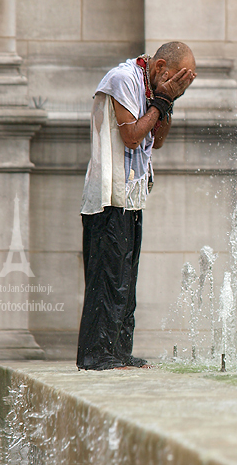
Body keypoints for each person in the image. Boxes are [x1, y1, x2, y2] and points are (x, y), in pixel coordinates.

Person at [77, 42, 196, 370]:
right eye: (175, 79)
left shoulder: (154, 88)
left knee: (125, 280)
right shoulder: (123, 79)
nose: (176, 87)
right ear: (160, 68)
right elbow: (132, 136)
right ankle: (97, 355)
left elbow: (155, 140)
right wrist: (161, 101)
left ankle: (118, 351)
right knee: (107, 277)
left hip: (132, 195)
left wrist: (167, 102)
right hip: (107, 197)